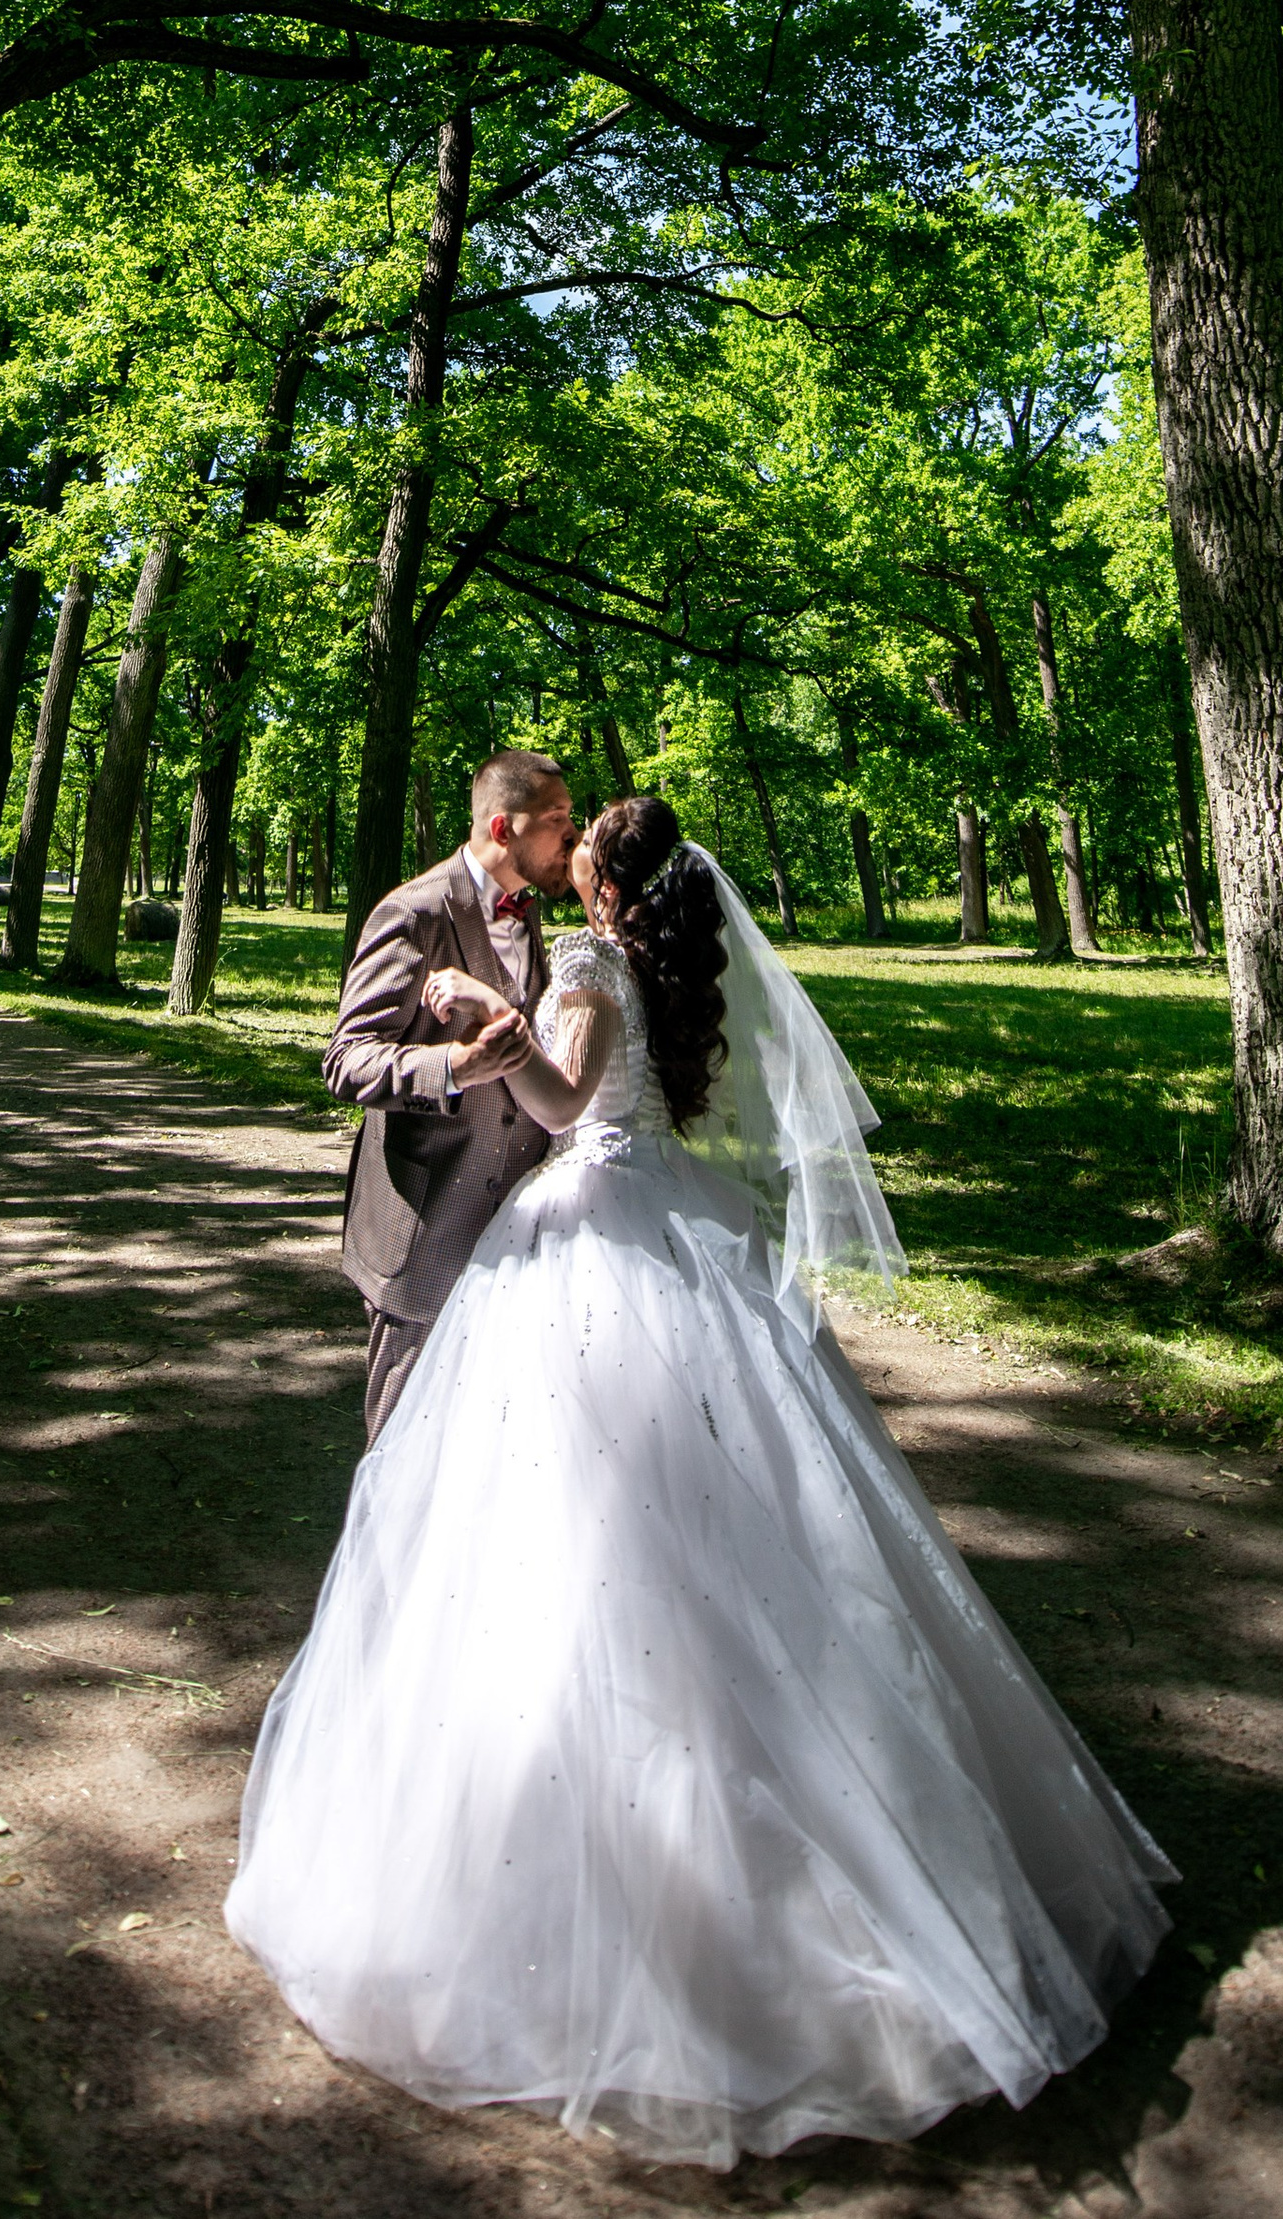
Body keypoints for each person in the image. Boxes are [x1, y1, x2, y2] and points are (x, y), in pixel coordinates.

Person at [231, 794, 1173, 2169]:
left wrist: (488, 1036)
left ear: (607, 889)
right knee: (730, 1522)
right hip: (671, 1217)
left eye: (581, 854)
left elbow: (559, 1104)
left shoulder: (590, 967)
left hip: (586, 1225)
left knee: (584, 1524)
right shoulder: (671, 975)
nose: (564, 865)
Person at [322, 748, 578, 1439]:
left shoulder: (528, 913)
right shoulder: (413, 914)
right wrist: (455, 1068)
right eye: (557, 820)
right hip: (425, 1231)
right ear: (503, 829)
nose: (574, 837)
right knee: (402, 1447)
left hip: (513, 1236)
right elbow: (347, 1060)